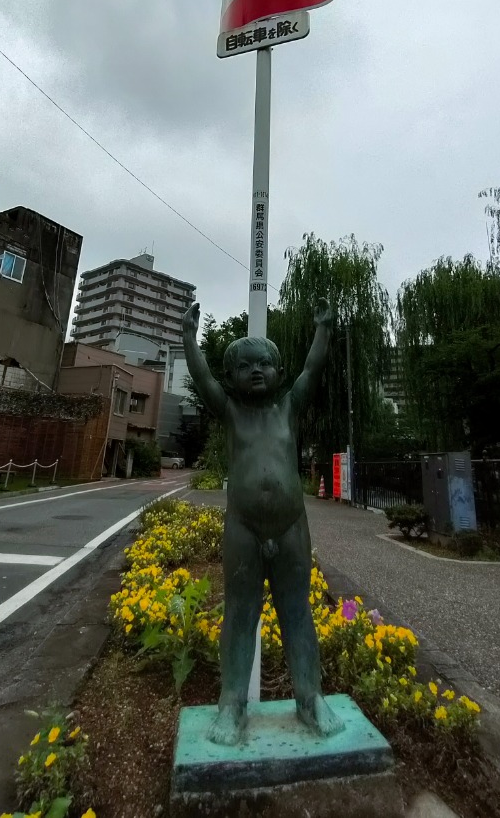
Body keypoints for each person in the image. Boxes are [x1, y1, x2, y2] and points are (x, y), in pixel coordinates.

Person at [182, 298, 344, 746]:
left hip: (291, 526)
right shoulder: (232, 411)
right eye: (245, 366)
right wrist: (189, 340)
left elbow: (312, 370)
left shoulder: (288, 407)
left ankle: (311, 698)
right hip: (243, 528)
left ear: (278, 371)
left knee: (297, 611)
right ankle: (231, 705)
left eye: (265, 364)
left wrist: (323, 330)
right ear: (232, 377)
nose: (256, 371)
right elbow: (203, 379)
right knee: (239, 613)